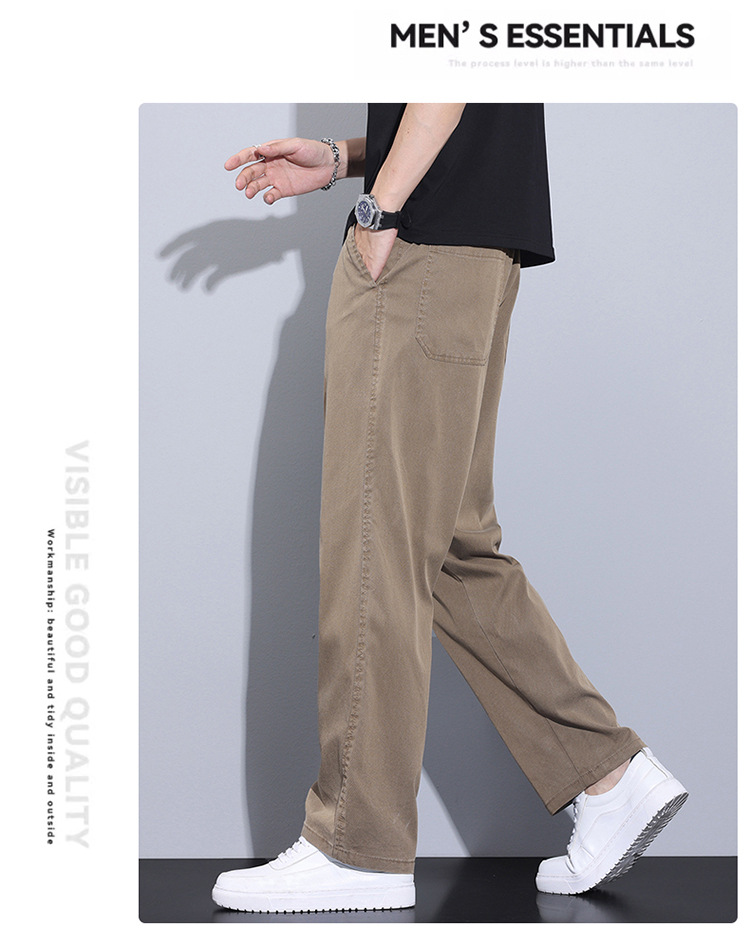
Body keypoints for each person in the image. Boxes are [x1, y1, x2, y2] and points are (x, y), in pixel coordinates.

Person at [211, 104, 688, 913]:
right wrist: (346, 159)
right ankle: (606, 775)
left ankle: (356, 844)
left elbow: (450, 65)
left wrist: (381, 206)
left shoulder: (403, 219)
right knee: (452, 544)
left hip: (421, 248)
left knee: (377, 542)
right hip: (473, 249)